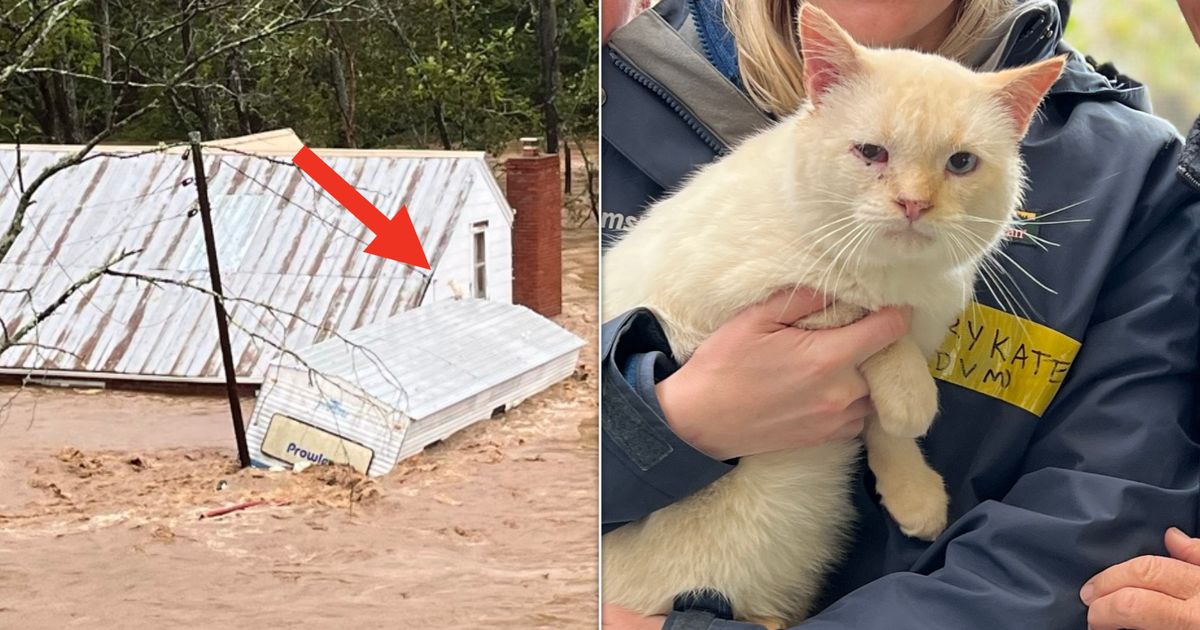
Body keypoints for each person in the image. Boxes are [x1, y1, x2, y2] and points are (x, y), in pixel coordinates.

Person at [600, 1, 1200, 628]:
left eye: (960, 163)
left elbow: (1088, 536)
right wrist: (661, 425)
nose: (913, 198)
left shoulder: (1131, 184)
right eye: (873, 154)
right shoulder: (612, 77)